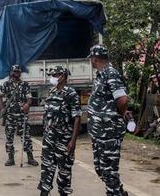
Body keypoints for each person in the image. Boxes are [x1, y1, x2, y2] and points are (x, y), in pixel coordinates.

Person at [87, 45, 129, 196]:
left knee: (109, 171)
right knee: (100, 169)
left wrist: (118, 113)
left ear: (95, 59)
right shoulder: (101, 74)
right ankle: (120, 192)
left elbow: (122, 99)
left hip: (109, 132)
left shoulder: (111, 73)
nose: (91, 61)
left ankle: (115, 193)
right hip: (99, 132)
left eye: (91, 58)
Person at [38, 66, 81, 196]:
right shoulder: (51, 92)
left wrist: (73, 141)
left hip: (64, 139)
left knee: (64, 172)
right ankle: (44, 192)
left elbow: (77, 118)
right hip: (49, 138)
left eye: (55, 75)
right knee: (46, 169)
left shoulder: (71, 94)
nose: (52, 78)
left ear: (63, 76)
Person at [0, 64, 38, 166]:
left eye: (18, 72)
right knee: (9, 137)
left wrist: (27, 104)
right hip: (10, 115)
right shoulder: (6, 84)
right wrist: (3, 108)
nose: (16, 73)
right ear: (11, 73)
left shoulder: (24, 85)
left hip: (21, 115)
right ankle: (10, 158)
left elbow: (29, 98)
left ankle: (30, 158)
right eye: (15, 71)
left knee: (26, 136)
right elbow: (0, 95)